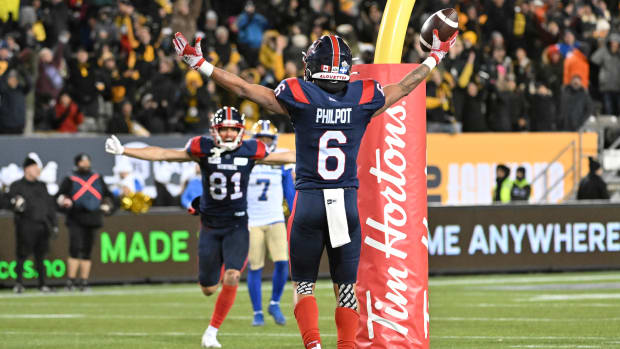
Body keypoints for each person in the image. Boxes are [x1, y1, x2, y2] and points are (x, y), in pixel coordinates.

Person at [172, 25, 456, 349]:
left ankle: (314, 346)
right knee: (346, 288)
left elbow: (246, 89)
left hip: (309, 202)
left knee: (304, 285)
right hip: (345, 203)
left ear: (313, 66)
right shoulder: (362, 97)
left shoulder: (300, 95)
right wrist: (437, 56)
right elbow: (405, 86)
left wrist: (201, 65)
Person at [104, 106, 295, 348]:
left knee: (234, 275)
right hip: (210, 226)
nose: (227, 134)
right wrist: (124, 150)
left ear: (240, 131)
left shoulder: (251, 150)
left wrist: (320, 150)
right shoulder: (201, 148)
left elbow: (286, 157)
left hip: (238, 223)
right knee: (208, 288)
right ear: (215, 130)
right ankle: (216, 280)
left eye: (231, 129)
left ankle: (212, 332)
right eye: (223, 129)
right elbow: (163, 154)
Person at [246, 120, 295, 327]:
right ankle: (257, 311)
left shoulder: (281, 160)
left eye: (268, 139)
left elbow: (289, 191)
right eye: (261, 139)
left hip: (275, 218)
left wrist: (295, 213)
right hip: (252, 220)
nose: (265, 143)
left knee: (283, 263)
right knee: (255, 267)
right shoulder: (247, 158)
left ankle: (274, 303)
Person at [56, 153, 114, 291]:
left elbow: (109, 197)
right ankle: (71, 281)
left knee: (87, 250)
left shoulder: (97, 178)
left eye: (87, 161)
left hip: (93, 218)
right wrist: (64, 202)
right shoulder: (70, 179)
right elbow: (59, 197)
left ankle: (83, 281)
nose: (86, 164)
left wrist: (107, 207)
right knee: (75, 248)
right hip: (75, 217)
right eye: (83, 162)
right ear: (77, 164)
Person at [8, 153, 58, 293]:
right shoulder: (17, 185)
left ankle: (42, 284)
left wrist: (54, 224)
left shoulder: (42, 185)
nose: (38, 171)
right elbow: (7, 201)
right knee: (22, 255)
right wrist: (15, 203)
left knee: (41, 257)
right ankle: (19, 283)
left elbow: (49, 206)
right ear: (27, 169)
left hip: (42, 225)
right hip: (25, 225)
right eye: (35, 168)